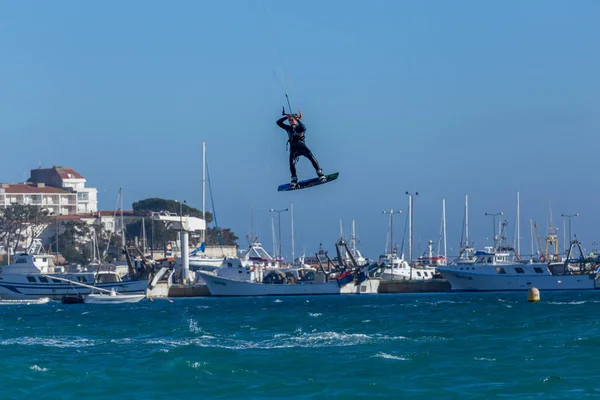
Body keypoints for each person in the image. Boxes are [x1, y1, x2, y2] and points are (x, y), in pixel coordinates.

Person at [276, 110, 325, 189]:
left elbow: (304, 128)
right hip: (293, 149)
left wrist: (297, 119)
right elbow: (278, 123)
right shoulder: (288, 128)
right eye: (290, 120)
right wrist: (287, 116)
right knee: (291, 163)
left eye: (292, 120)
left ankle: (320, 174)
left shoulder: (300, 127)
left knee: (311, 157)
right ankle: (294, 180)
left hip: (302, 147)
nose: (291, 121)